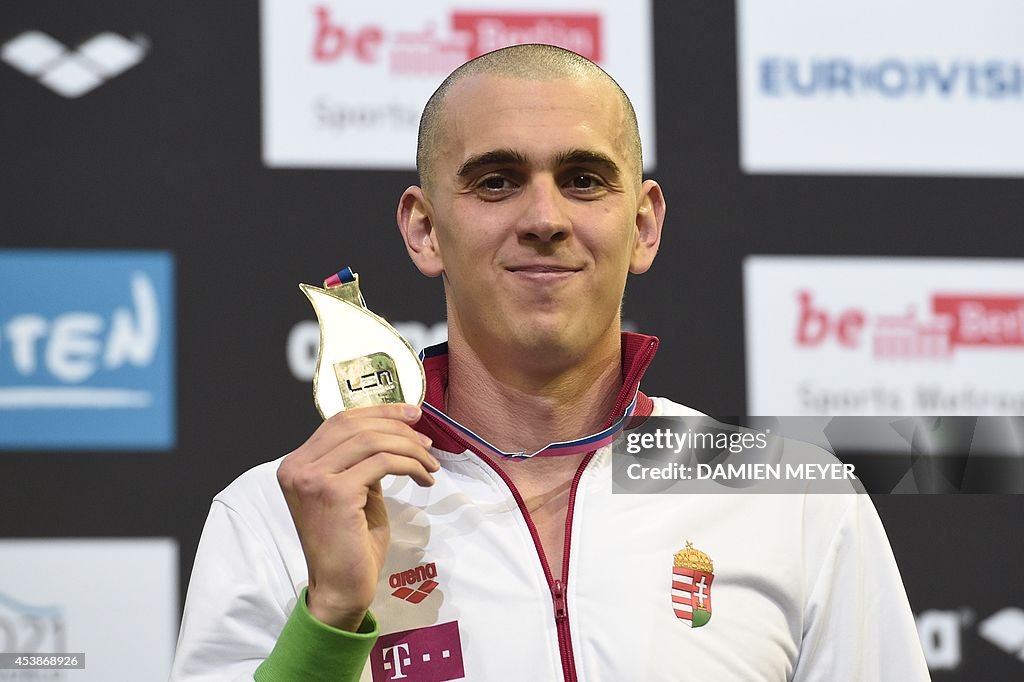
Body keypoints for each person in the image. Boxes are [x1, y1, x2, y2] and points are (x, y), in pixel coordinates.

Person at [171, 44, 929, 681]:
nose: (544, 219)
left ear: (642, 225)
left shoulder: (793, 499)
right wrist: (332, 616)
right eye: (496, 181)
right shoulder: (279, 514)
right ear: (425, 230)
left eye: (584, 180)